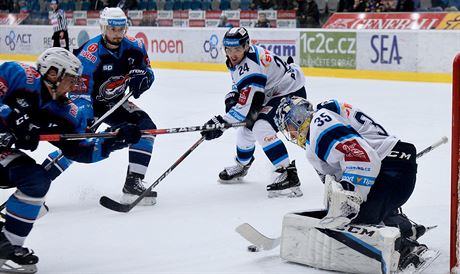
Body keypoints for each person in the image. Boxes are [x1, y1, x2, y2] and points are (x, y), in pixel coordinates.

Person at [0, 47, 142, 273]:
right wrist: (13, 119)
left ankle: (7, 250)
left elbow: (81, 151)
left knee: (36, 180)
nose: (75, 86)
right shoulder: (16, 74)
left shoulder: (67, 112)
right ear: (53, 73)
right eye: (70, 79)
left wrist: (115, 142)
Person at [274, 97, 432, 270]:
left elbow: (363, 159)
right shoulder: (317, 134)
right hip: (392, 169)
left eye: (289, 128)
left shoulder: (320, 124)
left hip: (392, 171)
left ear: (297, 117)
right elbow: (338, 179)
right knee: (348, 213)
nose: (291, 135)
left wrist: (350, 198)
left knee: (356, 224)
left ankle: (405, 248)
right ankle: (402, 227)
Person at [43, 7, 157, 204]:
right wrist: (86, 120)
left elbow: (148, 71)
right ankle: (39, 182)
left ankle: (133, 182)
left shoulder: (136, 46)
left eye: (121, 29)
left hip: (116, 102)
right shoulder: (89, 54)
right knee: (78, 141)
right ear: (103, 28)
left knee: (147, 128)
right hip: (88, 102)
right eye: (112, 29)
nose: (117, 34)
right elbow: (80, 92)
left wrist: (145, 79)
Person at [201, 27, 307, 198]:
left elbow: (243, 108)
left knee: (261, 127)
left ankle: (289, 174)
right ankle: (242, 166)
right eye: (228, 49)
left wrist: (221, 123)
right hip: (269, 93)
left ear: (246, 46)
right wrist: (233, 95)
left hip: (290, 92)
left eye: (237, 49)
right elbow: (240, 86)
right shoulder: (241, 59)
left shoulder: (251, 67)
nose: (232, 54)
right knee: (245, 131)